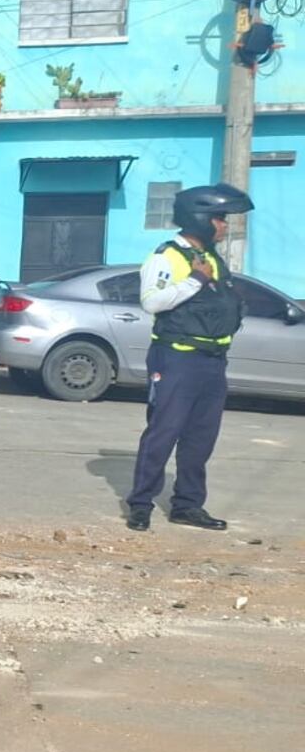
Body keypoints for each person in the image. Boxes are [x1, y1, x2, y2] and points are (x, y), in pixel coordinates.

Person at [125, 183, 254, 533]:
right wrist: (196, 279)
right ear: (199, 218)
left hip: (212, 361)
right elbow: (152, 301)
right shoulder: (166, 256)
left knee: (201, 436)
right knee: (164, 431)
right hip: (176, 359)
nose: (225, 226)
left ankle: (188, 504)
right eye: (220, 219)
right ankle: (140, 503)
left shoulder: (212, 257)